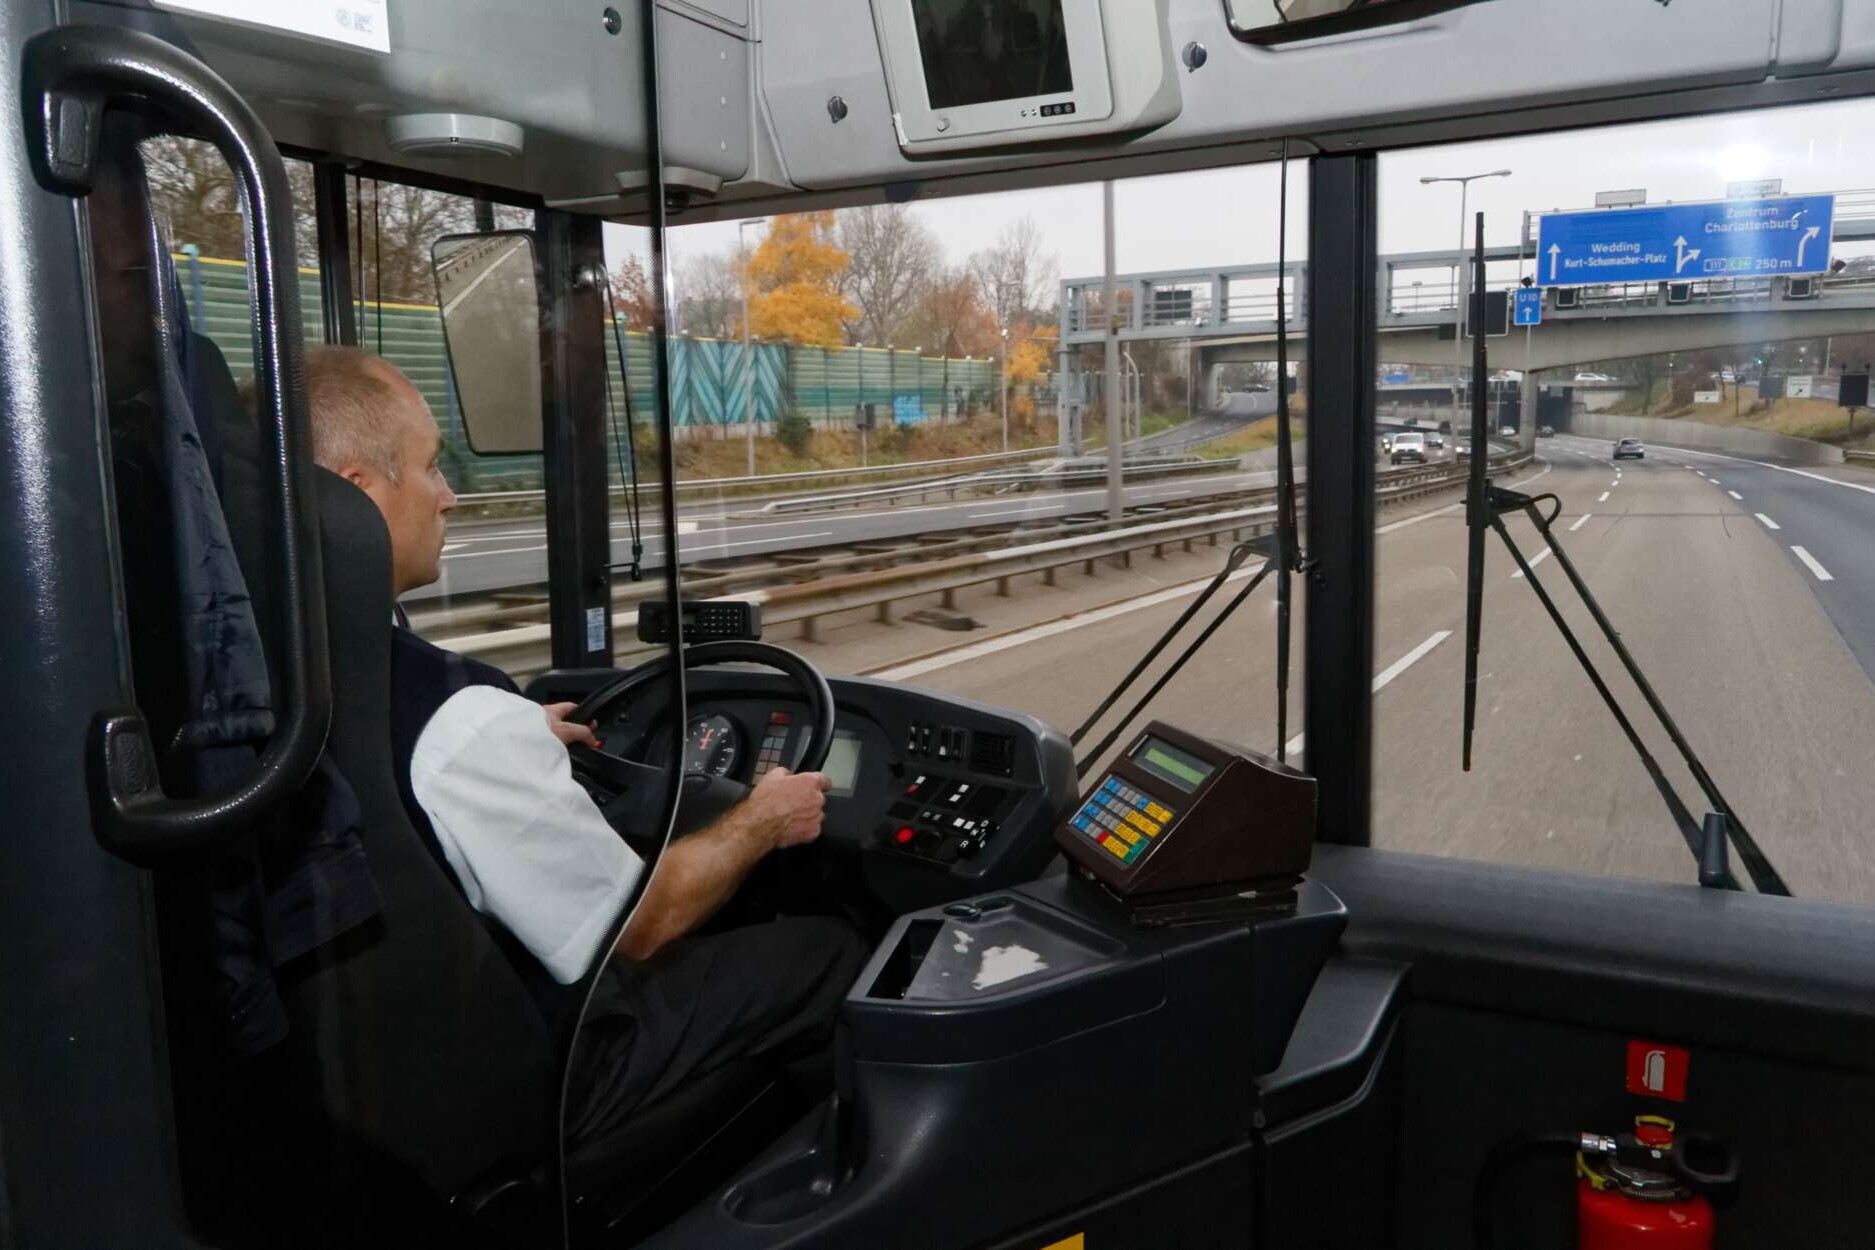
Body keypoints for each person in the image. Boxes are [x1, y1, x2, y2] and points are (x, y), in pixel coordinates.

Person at [288, 345, 866, 1148]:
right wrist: (761, 819)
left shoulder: (268, 673)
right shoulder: (462, 722)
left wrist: (519, 738)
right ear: (355, 501)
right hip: (537, 1076)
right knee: (829, 950)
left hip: (374, 1081)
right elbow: (640, 924)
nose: (448, 496)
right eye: (429, 468)